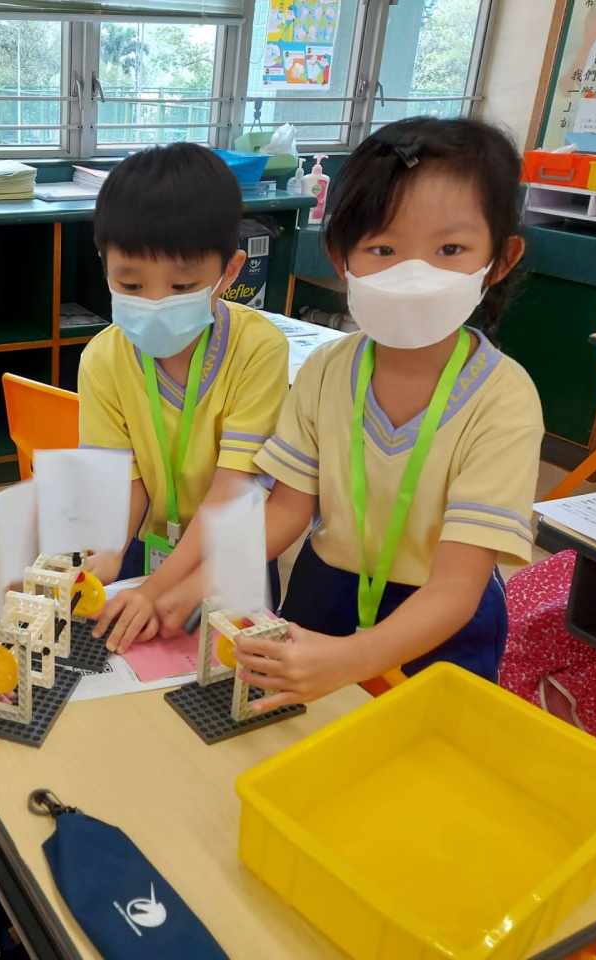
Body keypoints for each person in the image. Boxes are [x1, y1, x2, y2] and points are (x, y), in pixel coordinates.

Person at [117, 117, 543, 705]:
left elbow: (456, 587)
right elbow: (287, 509)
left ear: (499, 259)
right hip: (323, 591)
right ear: (341, 259)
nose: (412, 275)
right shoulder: (325, 370)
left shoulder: (504, 400)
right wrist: (192, 587)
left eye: (450, 249)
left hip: (439, 620)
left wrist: (350, 659)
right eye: (383, 249)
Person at [78, 143, 289, 653]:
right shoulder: (103, 358)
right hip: (147, 547)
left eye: (182, 285)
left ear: (229, 272)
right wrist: (107, 553)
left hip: (231, 554)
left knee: (231, 669)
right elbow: (123, 480)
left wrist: (157, 589)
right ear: (105, 264)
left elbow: (233, 489)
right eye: (130, 284)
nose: (154, 302)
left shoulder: (258, 350)